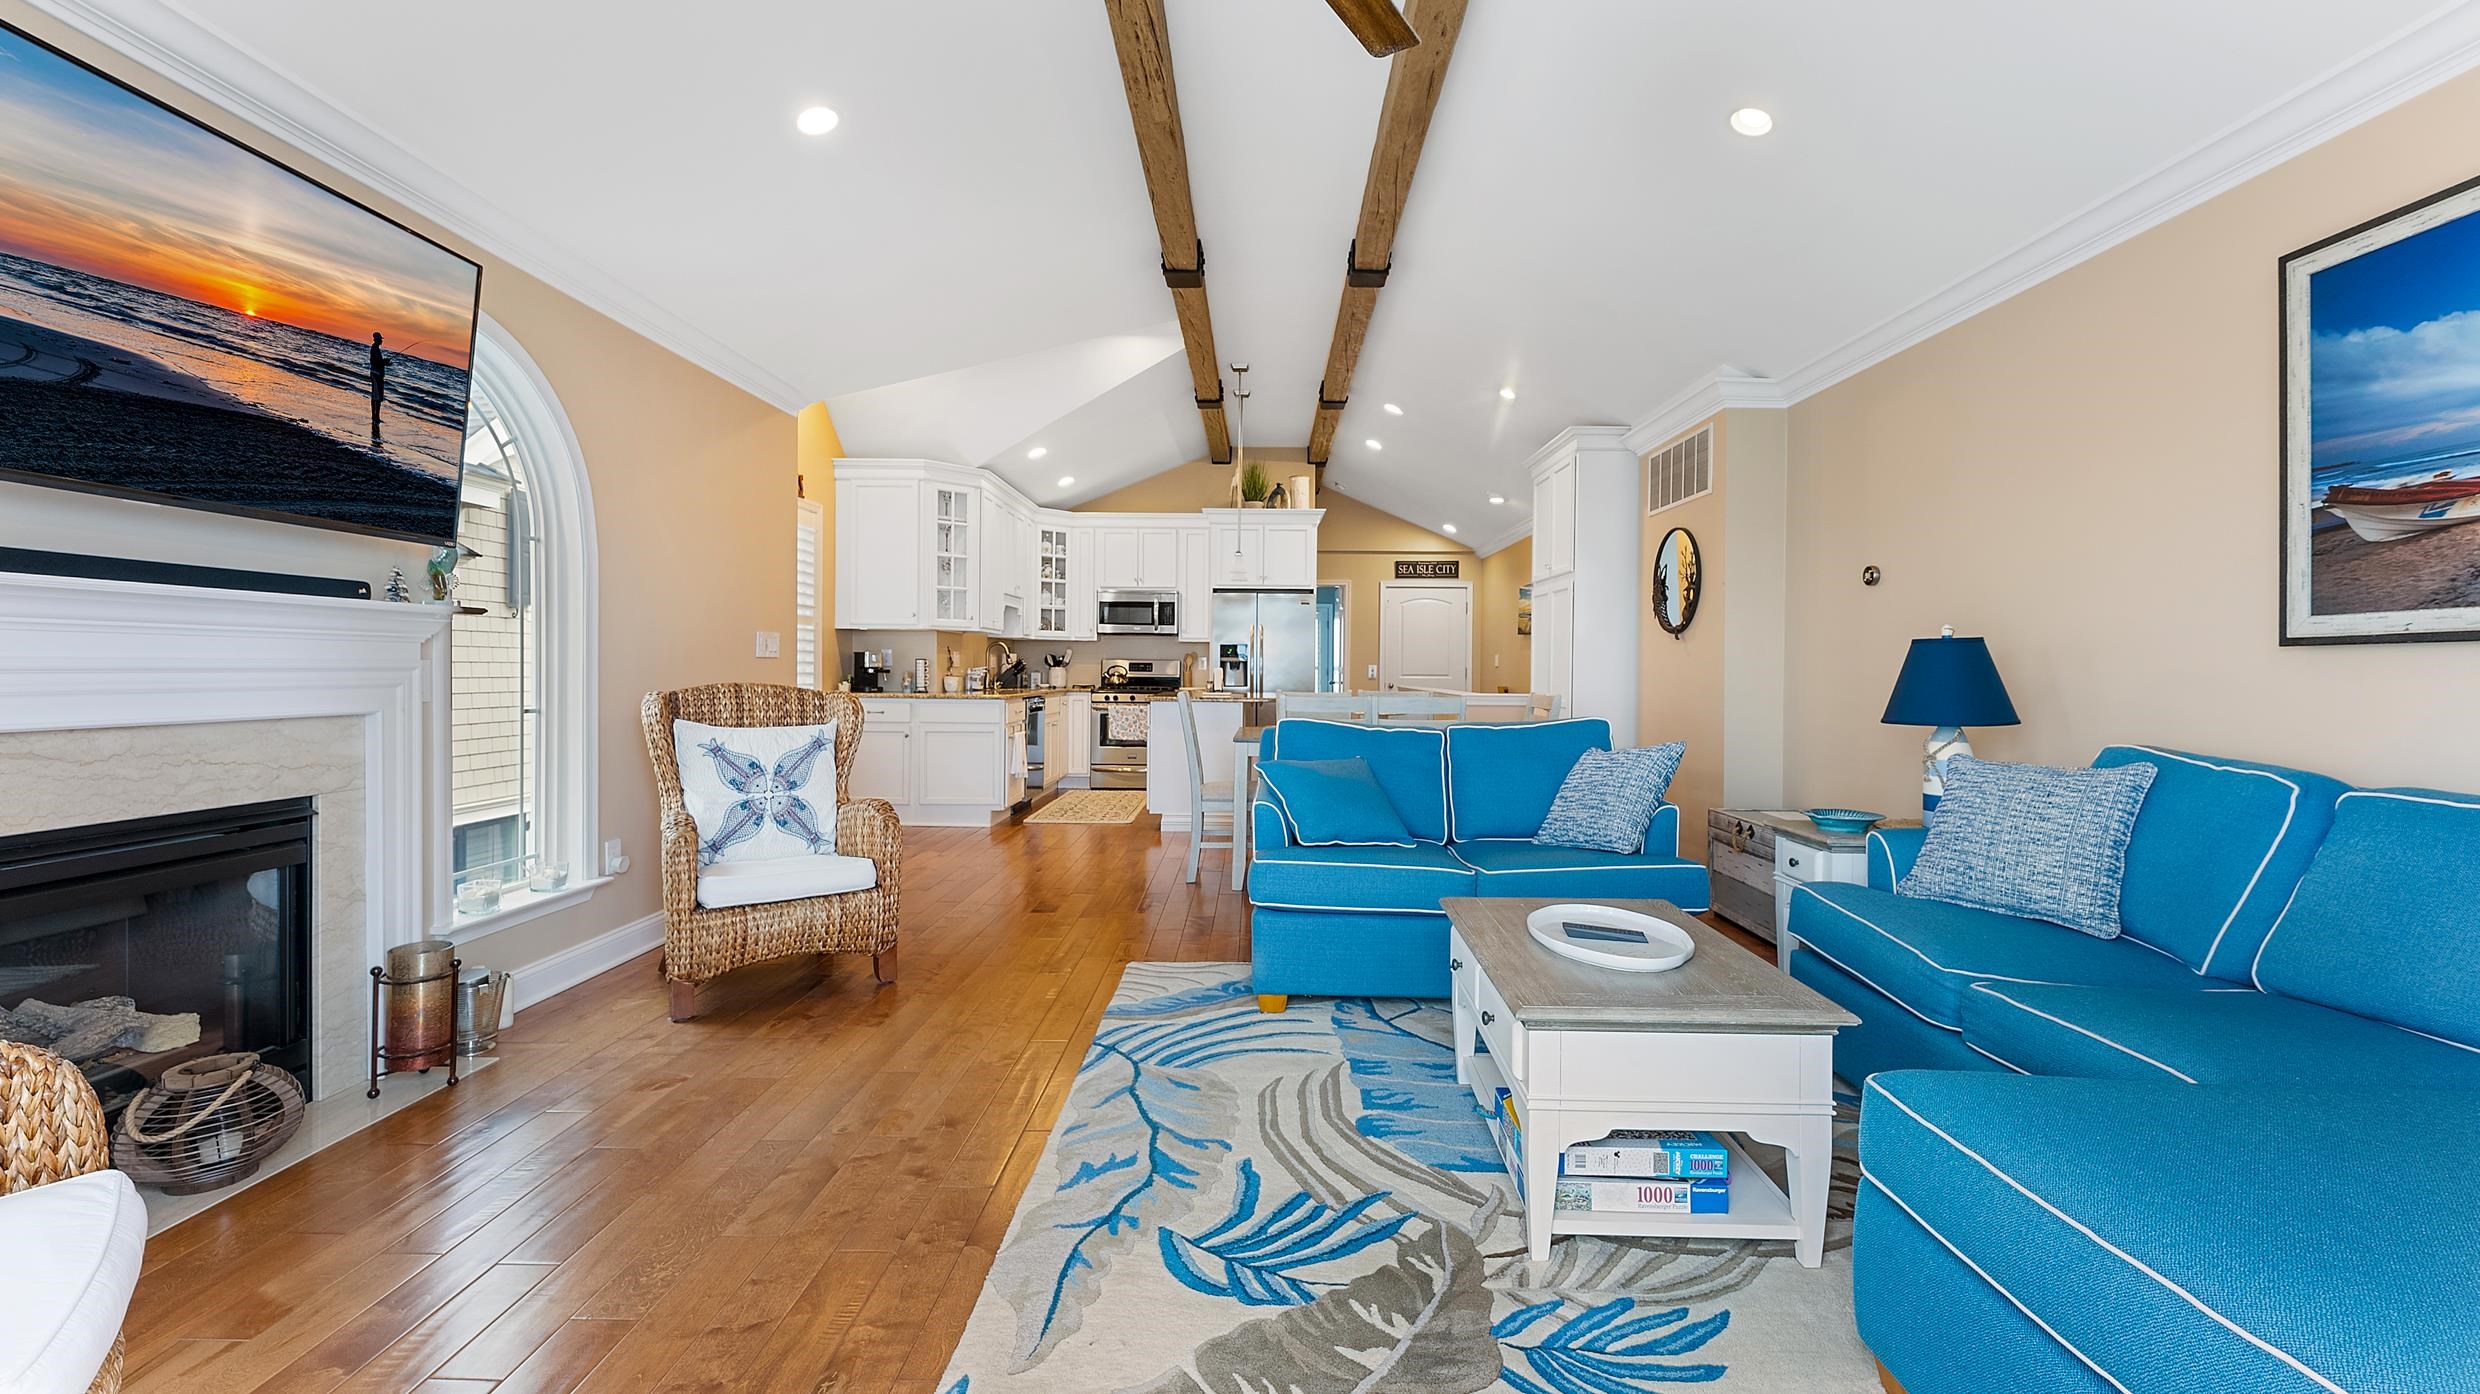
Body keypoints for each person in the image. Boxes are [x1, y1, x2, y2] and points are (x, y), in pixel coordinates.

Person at [368, 332, 387, 443]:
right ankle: (375, 417)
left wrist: (384, 362)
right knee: (376, 396)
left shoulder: (376, 349)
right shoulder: (375, 349)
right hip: (376, 374)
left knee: (377, 396)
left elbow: (378, 362)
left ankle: (376, 416)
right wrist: (384, 362)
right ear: (377, 339)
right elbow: (376, 362)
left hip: (377, 374)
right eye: (380, 339)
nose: (382, 341)